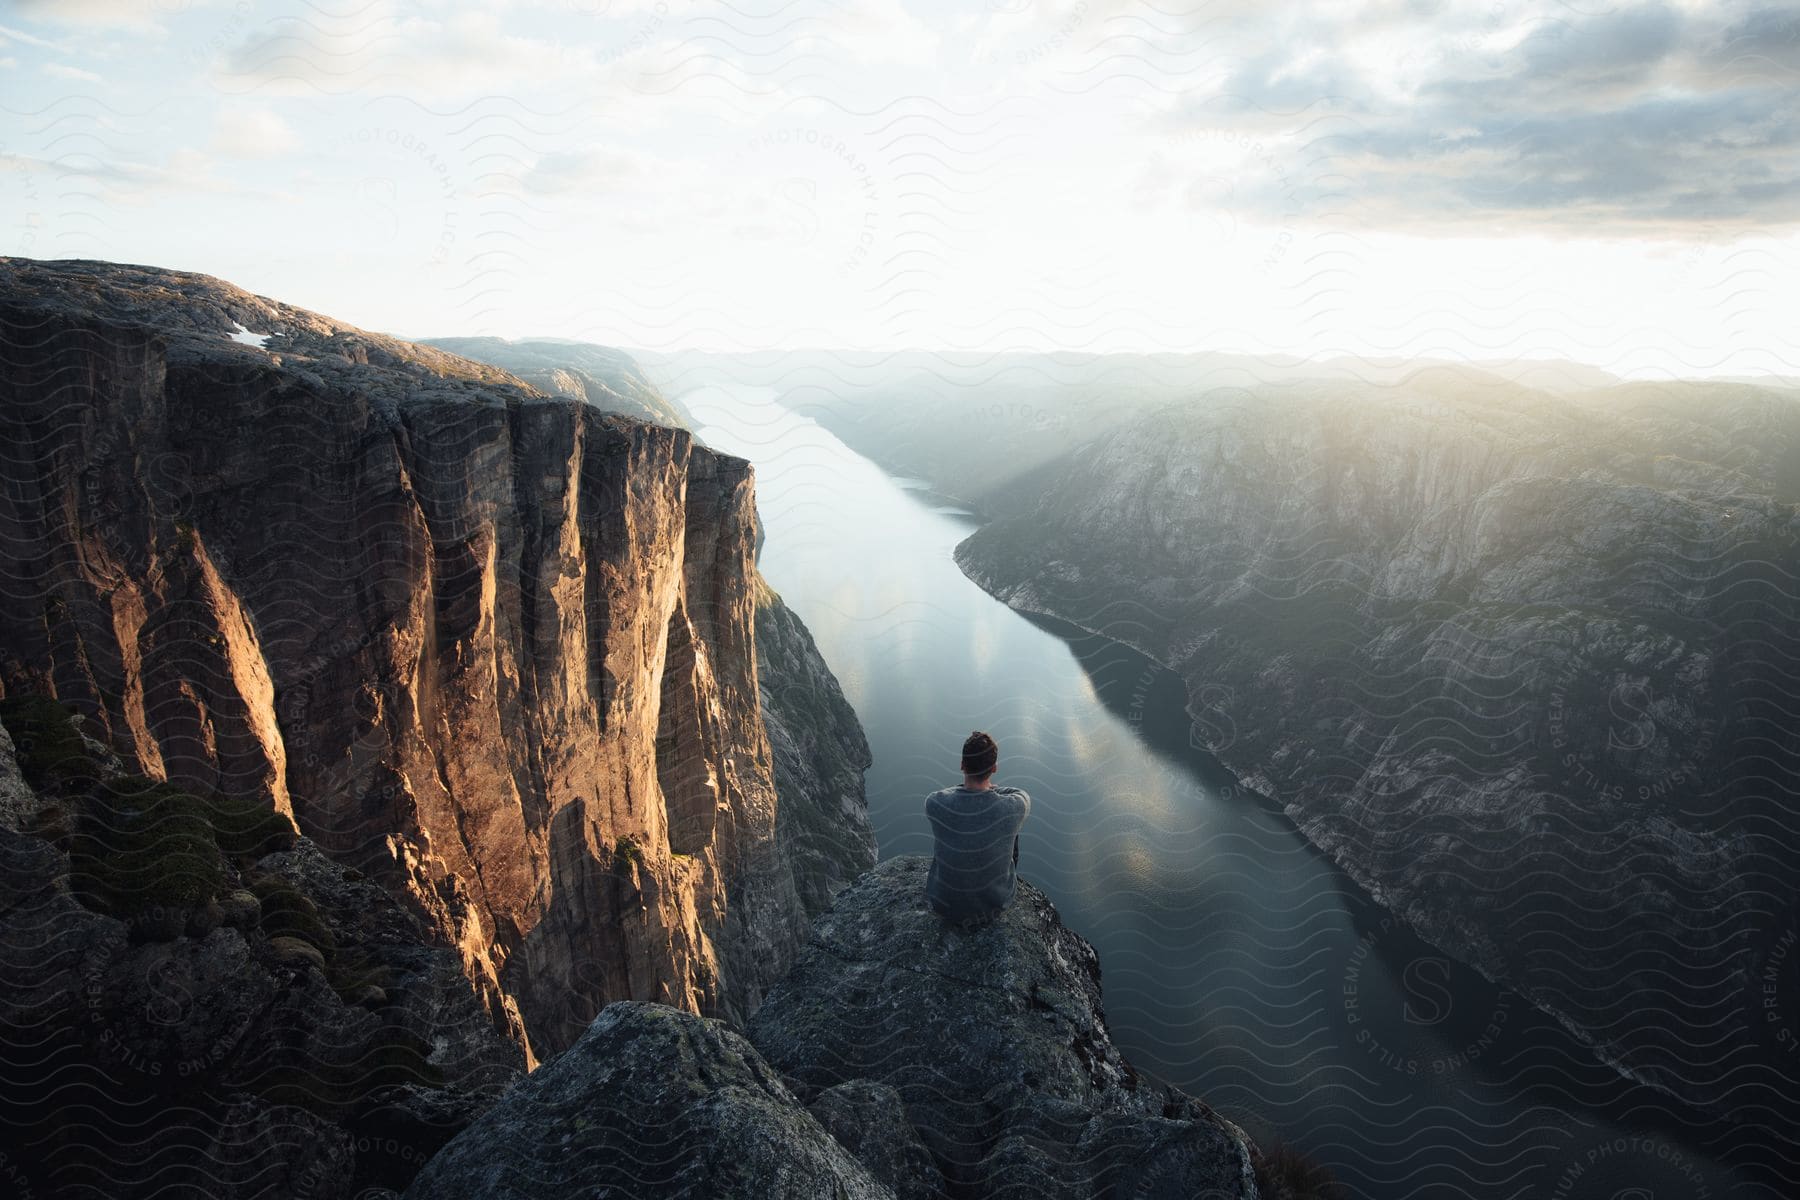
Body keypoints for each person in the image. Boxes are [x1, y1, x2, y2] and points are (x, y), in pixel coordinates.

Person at [924, 730, 1031, 926]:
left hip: (943, 903)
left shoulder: (935, 804)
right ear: (994, 769)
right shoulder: (1013, 808)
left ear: (962, 765)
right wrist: (993, 789)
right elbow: (1021, 794)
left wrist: (966, 790)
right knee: (1010, 830)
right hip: (993, 907)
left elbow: (944, 793)